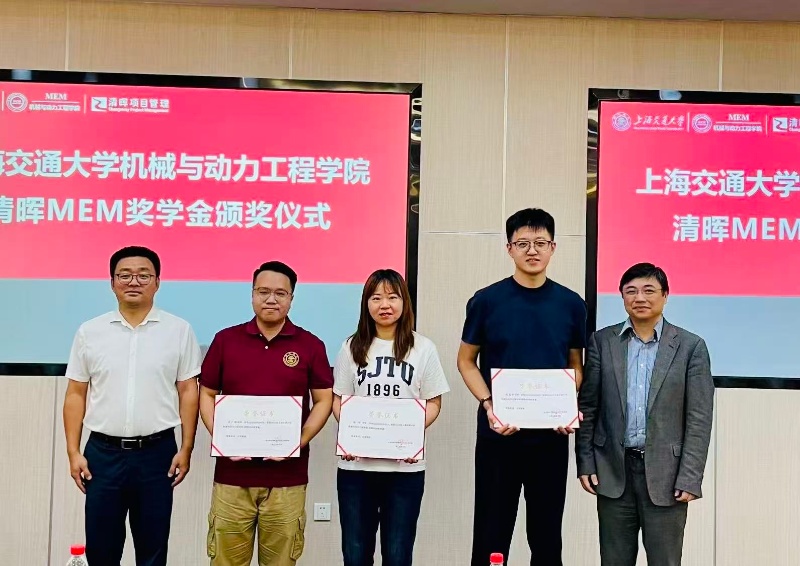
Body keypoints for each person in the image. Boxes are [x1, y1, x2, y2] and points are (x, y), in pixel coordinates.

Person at [457, 208, 587, 566]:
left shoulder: (571, 304)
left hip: (551, 436)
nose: (532, 250)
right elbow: (466, 361)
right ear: (509, 248)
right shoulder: (486, 301)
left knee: (546, 535)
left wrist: (566, 406)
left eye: (541, 243)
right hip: (499, 432)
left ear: (553, 247)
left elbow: (576, 366)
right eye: (523, 243)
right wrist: (488, 403)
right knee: (491, 531)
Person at [63, 246, 202, 566]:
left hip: (157, 454)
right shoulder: (90, 331)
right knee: (102, 548)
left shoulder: (178, 330)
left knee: (153, 548)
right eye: (124, 275)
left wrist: (187, 448)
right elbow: (75, 394)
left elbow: (188, 391)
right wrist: (73, 452)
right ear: (112, 282)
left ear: (158, 282)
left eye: (143, 275)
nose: (134, 281)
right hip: (102, 454)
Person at [576, 262, 714, 566]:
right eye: (631, 291)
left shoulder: (690, 347)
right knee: (614, 560)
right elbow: (588, 407)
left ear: (665, 295)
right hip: (613, 471)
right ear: (622, 296)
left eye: (649, 290)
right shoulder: (602, 342)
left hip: (667, 476)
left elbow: (699, 419)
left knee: (665, 561)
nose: (640, 297)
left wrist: (690, 477)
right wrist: (585, 461)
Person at [199, 261, 333, 566]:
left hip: (287, 480)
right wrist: (222, 438)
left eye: (280, 293)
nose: (271, 299)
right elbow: (206, 393)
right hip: (232, 479)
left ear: (291, 298)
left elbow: (323, 400)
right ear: (252, 294)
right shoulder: (226, 340)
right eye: (263, 292)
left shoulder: (310, 345)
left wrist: (298, 441)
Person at [332, 269, 450, 566]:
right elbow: (338, 399)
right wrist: (351, 436)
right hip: (356, 468)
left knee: (398, 553)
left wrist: (410, 436)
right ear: (366, 304)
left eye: (392, 297)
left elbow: (434, 401)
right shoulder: (350, 346)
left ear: (404, 302)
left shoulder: (423, 348)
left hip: (405, 469)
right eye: (376, 298)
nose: (384, 305)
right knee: (355, 553)